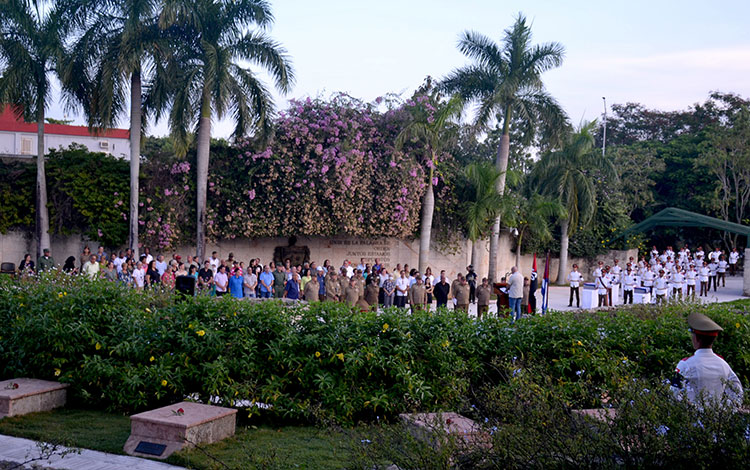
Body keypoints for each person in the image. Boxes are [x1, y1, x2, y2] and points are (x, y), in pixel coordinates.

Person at [672, 312, 743, 408]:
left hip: (691, 419)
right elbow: (737, 393)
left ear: (696, 339)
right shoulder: (723, 364)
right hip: (717, 419)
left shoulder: (686, 364)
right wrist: (725, 411)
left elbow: (673, 394)